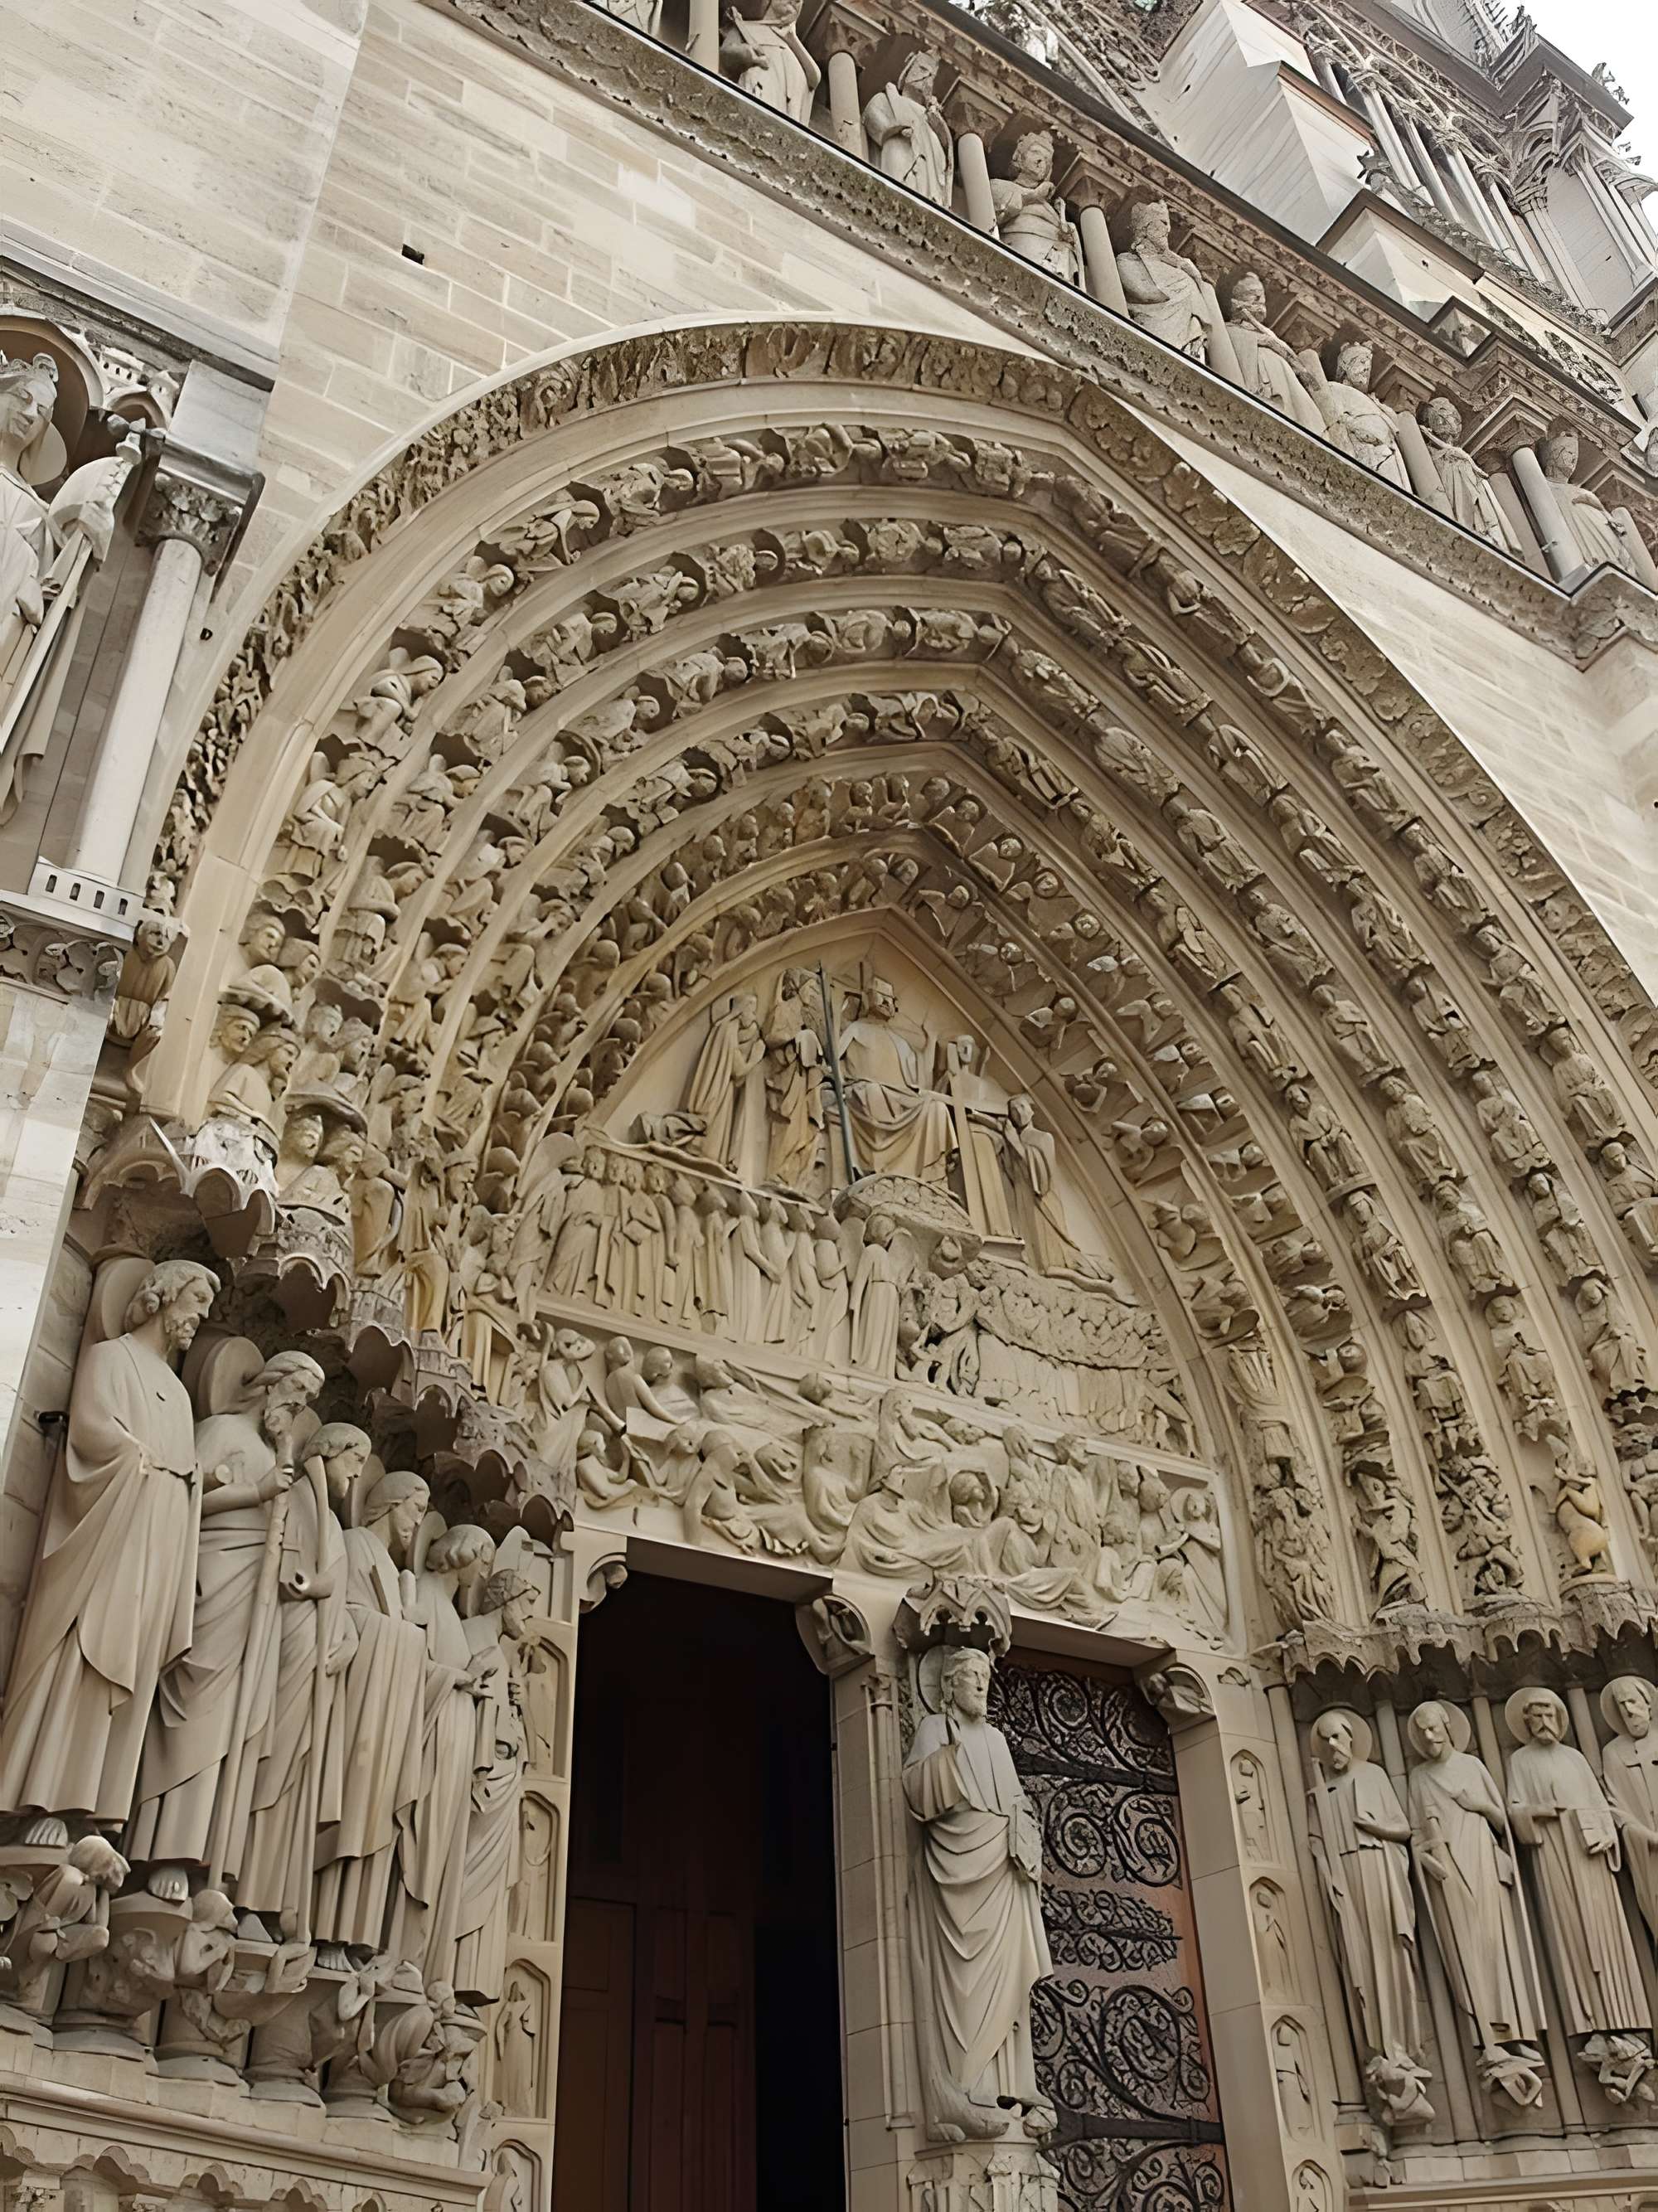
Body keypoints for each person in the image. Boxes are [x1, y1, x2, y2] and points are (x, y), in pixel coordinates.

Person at [902, 1647, 1054, 2142]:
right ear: (948, 1686)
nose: (981, 1687)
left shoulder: (997, 1741)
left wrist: (1024, 1829)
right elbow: (917, 1793)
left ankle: (1013, 2087)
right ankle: (966, 2087)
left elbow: (1015, 1803)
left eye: (985, 1679)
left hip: (999, 1872)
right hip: (957, 1873)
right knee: (963, 1984)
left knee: (1007, 1979)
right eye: (971, 1678)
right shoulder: (932, 1730)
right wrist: (945, 1762)